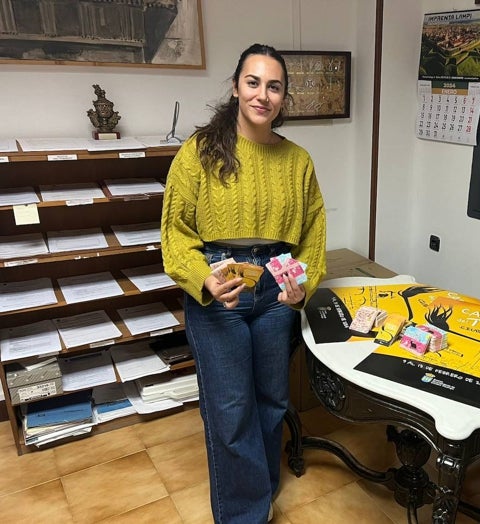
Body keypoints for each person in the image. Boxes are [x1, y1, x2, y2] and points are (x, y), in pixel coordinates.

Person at [160, 43, 327, 523]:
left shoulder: (298, 161)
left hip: (276, 288)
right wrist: (203, 280)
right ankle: (244, 515)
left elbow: (313, 233)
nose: (263, 95)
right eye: (253, 82)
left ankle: (260, 491)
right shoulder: (199, 152)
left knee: (272, 400)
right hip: (219, 285)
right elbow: (174, 233)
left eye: (274, 86)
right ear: (235, 88)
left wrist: (304, 284)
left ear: (283, 97)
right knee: (231, 408)